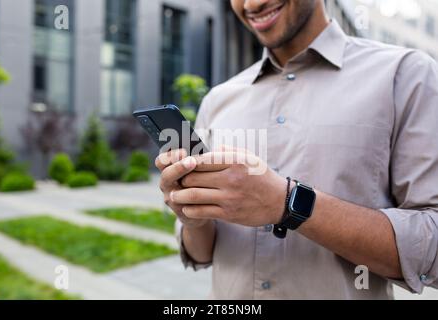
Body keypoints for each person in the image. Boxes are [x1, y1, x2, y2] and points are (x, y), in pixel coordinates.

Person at [156, 0, 438, 299]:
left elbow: (431, 248)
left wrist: (288, 202)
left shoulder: (405, 75)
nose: (251, 4)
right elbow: (202, 255)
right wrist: (194, 217)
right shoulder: (218, 100)